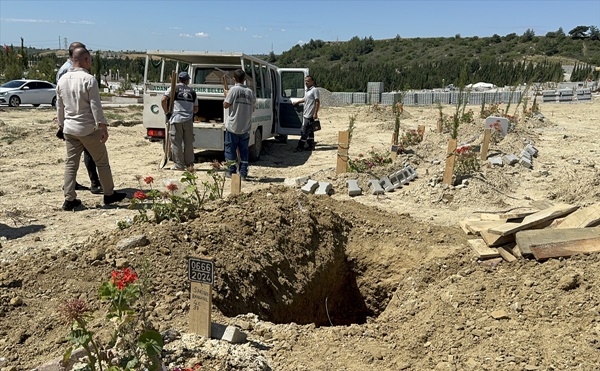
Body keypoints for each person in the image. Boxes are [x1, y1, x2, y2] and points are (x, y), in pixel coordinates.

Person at [56, 47, 126, 211]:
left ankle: (69, 199)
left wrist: (61, 125)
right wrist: (103, 126)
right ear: (86, 60)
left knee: (71, 164)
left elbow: (59, 107)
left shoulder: (62, 80)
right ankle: (109, 194)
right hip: (87, 128)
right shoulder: (89, 80)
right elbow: (96, 106)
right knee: (102, 162)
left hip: (69, 129)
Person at [56, 41, 103, 194]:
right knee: (88, 155)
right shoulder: (70, 73)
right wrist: (101, 124)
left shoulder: (65, 71)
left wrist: (61, 122)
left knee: (73, 160)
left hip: (70, 122)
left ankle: (70, 191)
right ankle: (95, 184)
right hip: (81, 122)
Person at [223, 69, 256, 180]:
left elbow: (226, 105)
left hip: (233, 126)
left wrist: (226, 95)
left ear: (234, 79)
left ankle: (231, 171)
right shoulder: (250, 92)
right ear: (244, 79)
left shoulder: (233, 90)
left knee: (230, 149)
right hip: (245, 127)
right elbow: (253, 109)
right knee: (244, 151)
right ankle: (243, 173)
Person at [161, 71, 198, 171]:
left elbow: (163, 99)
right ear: (187, 80)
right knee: (189, 143)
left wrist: (167, 112)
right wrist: (189, 112)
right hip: (188, 120)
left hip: (176, 118)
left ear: (179, 79)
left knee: (176, 143)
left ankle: (179, 165)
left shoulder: (173, 89)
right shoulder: (192, 92)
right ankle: (189, 165)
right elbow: (196, 109)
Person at [293, 75, 320, 152]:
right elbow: (305, 99)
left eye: (308, 81)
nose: (306, 82)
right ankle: (311, 145)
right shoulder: (308, 91)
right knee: (310, 131)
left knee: (304, 131)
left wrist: (315, 113)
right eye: (305, 81)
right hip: (306, 113)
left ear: (312, 82)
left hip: (310, 114)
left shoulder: (314, 90)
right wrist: (298, 102)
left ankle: (300, 146)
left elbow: (317, 101)